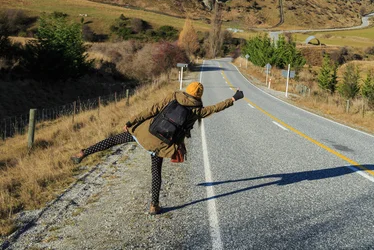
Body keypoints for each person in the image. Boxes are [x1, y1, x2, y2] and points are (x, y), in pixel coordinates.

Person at [71, 82, 244, 215]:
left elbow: (151, 110)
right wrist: (233, 99)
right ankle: (154, 205)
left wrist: (131, 122)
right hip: (162, 144)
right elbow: (216, 108)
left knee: (113, 140)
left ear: (187, 90)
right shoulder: (197, 111)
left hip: (144, 133)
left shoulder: (174, 97)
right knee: (156, 172)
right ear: (199, 96)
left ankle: (83, 152)